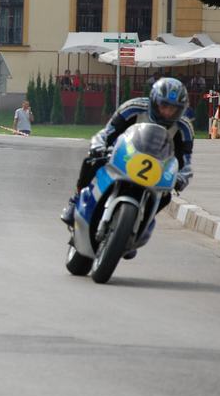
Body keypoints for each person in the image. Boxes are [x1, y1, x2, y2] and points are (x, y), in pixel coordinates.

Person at [60, 77, 195, 260]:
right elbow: (107, 132)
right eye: (164, 106)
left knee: (166, 194)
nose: (168, 112)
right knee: (91, 162)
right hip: (122, 155)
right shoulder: (133, 107)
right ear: (154, 101)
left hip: (155, 169)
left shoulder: (184, 127)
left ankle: (137, 228)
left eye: (174, 109)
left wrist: (181, 177)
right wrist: (99, 146)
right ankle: (75, 200)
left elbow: (185, 160)